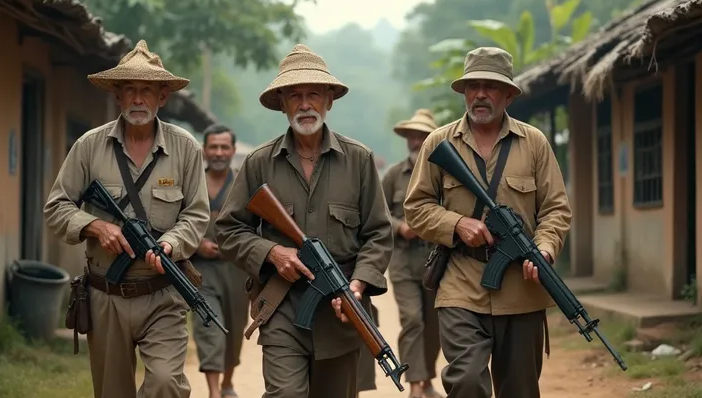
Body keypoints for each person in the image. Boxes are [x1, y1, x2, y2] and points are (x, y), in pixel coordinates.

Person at [214, 44, 394, 398]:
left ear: (329, 99)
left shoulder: (359, 160)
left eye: (314, 94)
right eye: (295, 95)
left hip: (341, 310)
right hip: (282, 304)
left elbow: (378, 234)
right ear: (282, 102)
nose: (305, 104)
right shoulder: (258, 162)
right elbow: (229, 229)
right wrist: (272, 253)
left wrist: (358, 284)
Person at [43, 40, 210, 398]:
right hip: (105, 294)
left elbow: (196, 215)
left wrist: (171, 242)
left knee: (166, 382)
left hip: (163, 292)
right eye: (130, 90)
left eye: (146, 91)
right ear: (117, 96)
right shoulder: (89, 146)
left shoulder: (185, 148)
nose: (138, 99)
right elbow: (56, 207)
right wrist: (95, 225)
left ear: (162, 97)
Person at [402, 47, 572, 398]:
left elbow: (556, 209)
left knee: (521, 389)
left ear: (509, 94)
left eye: (490, 86)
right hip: (461, 284)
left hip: (522, 290)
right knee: (465, 382)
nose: (480, 94)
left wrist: (545, 247)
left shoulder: (534, 143)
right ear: (464, 92)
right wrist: (456, 224)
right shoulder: (439, 143)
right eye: (472, 85)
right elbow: (416, 207)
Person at [381, 109, 443, 398]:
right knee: (413, 320)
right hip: (403, 260)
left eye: (422, 136)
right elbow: (376, 212)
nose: (416, 141)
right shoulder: (393, 175)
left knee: (434, 325)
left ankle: (426, 377)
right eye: (412, 136)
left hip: (436, 260)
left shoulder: (443, 173)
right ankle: (416, 385)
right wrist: (399, 228)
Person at [191, 124, 249, 398]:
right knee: (209, 327)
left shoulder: (244, 185)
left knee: (234, 332)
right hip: (200, 271)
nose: (218, 152)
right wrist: (196, 245)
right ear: (204, 150)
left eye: (224, 147)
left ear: (233, 151)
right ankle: (215, 392)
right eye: (213, 146)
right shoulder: (191, 183)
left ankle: (227, 384)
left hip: (237, 272)